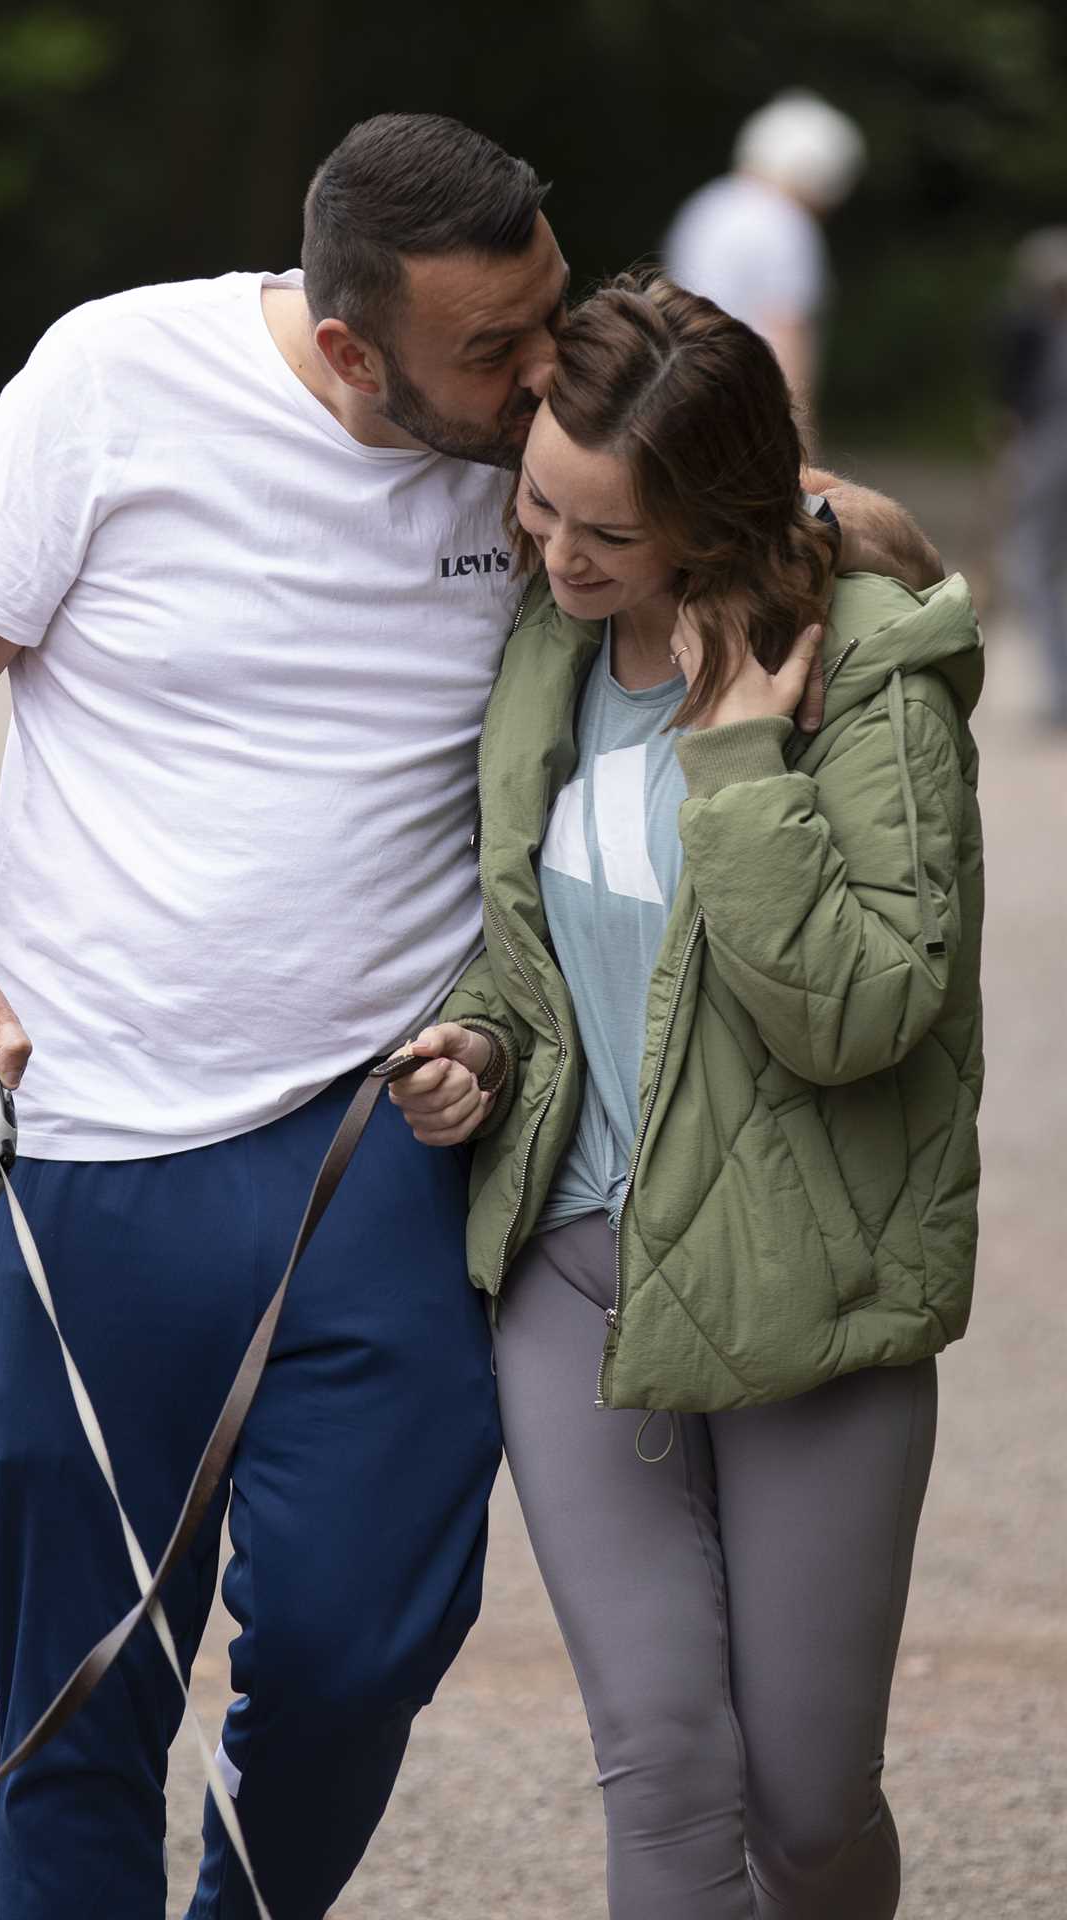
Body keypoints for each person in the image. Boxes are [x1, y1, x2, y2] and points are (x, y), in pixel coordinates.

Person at [0, 110, 943, 1920]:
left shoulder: (545, 465)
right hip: (91, 1146)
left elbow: (801, 513)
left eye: (546, 318)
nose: (539, 380)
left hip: (388, 1136)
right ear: (353, 346)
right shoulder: (110, 379)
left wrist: (832, 521)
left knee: (363, 1647)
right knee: (86, 1680)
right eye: (493, 352)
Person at [391, 272, 982, 1919]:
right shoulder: (546, 647)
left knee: (803, 1810)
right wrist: (481, 1053)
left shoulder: (863, 670)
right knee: (663, 1771)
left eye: (609, 535)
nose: (557, 559)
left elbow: (863, 1015)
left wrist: (736, 769)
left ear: (713, 520)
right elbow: (535, 956)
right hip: (578, 1280)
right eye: (540, 508)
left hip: (811, 1295)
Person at [665, 89, 865, 426]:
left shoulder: (707, 205)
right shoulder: (786, 223)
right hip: (744, 413)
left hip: (677, 400)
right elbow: (787, 339)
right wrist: (800, 450)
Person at [992, 227, 1067, 727]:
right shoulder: (1035, 330)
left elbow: (1016, 410)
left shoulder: (1031, 327)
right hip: (1044, 447)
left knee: (1030, 563)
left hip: (1047, 449)